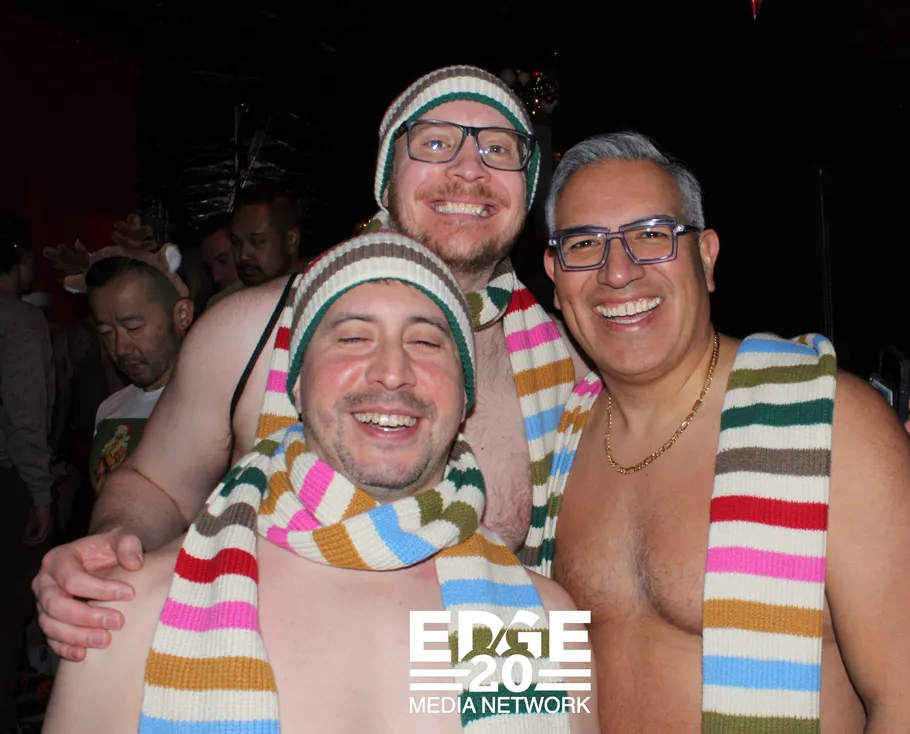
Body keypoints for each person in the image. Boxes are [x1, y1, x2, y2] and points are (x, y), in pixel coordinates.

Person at [32, 65, 910, 664]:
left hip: (487, 690)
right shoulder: (253, 329)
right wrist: (107, 550)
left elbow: (687, 402)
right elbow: (152, 484)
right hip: (275, 687)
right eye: (435, 142)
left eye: (497, 148)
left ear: (523, 193)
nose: (468, 167)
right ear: (385, 178)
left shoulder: (574, 353)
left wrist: (819, 418)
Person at [42, 234, 597, 734]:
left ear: (465, 395)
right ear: (297, 385)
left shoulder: (533, 624)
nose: (392, 371)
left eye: (427, 343)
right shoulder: (132, 614)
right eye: (352, 337)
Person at [520, 132, 910, 732]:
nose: (618, 271)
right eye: (585, 244)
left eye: (652, 235)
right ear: (555, 274)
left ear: (706, 257)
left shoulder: (833, 423)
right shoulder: (553, 446)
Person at [0, 212, 56, 732]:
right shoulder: (18, 321)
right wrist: (41, 493)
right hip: (8, 483)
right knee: (8, 614)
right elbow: (25, 417)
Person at [85, 254, 194, 491]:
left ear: (182, 315)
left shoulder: (214, 408)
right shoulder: (109, 412)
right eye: (106, 333)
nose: (119, 348)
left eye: (133, 328)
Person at [230, 183, 302, 287]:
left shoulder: (320, 291)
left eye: (256, 242)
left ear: (291, 240)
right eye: (235, 243)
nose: (242, 255)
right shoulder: (230, 296)